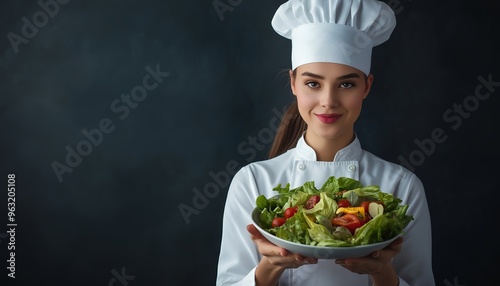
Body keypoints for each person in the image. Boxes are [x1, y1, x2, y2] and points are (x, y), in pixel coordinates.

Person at [216, 0, 435, 285]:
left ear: (366, 86)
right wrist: (270, 266)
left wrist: (382, 273)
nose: (328, 102)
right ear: (293, 83)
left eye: (346, 84)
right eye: (313, 83)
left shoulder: (401, 187)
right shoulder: (251, 182)